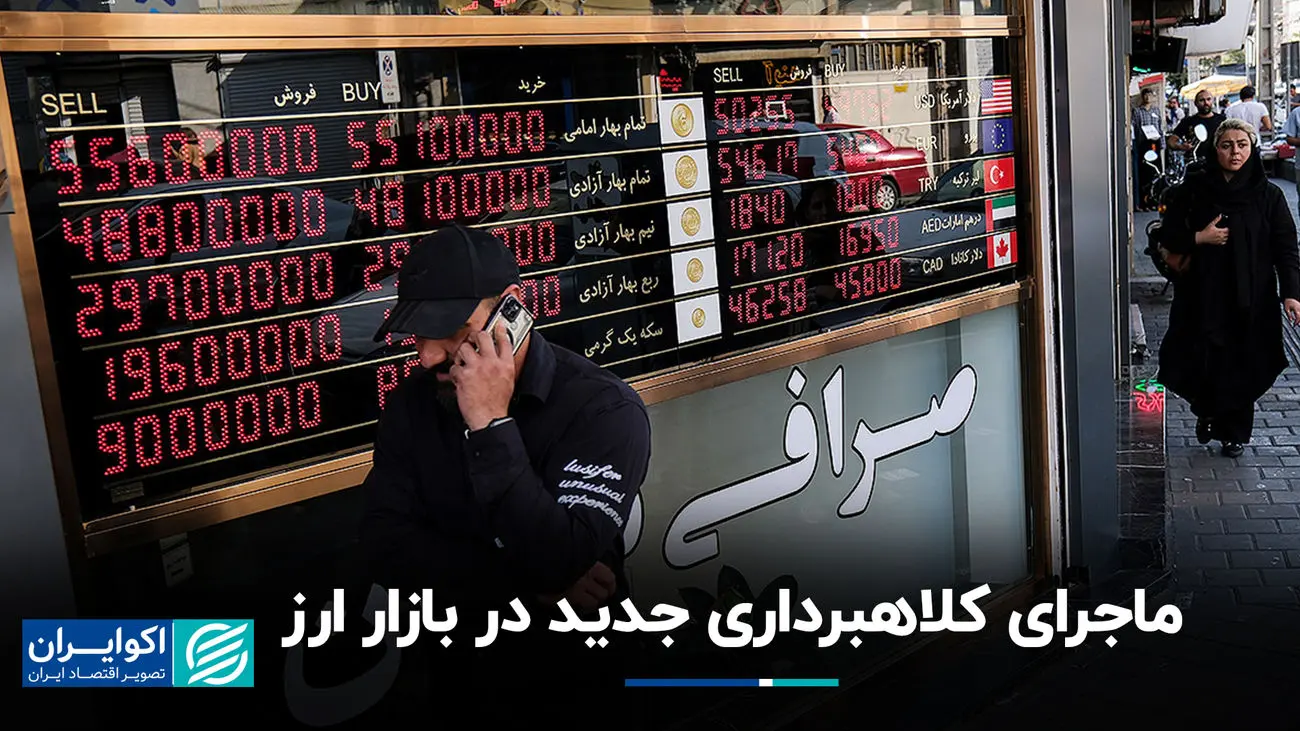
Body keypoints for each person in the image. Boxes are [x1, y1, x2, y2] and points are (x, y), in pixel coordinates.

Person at [359, 224, 653, 712]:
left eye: (450, 330)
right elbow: (384, 546)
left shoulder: (602, 409)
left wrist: (491, 425)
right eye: (418, 334)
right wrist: (518, 582)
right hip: (461, 681)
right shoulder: (413, 406)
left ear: (511, 309)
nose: (428, 355)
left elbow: (559, 557)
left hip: (579, 687)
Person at [1155, 119, 1300, 458]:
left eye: (1242, 145)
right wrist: (1199, 238)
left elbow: (1285, 247)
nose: (1235, 152)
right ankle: (1207, 412)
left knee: (1243, 363)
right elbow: (1167, 234)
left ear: (1252, 149)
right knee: (1202, 359)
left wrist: (1291, 294)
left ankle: (1234, 432)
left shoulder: (1268, 195)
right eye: (1226, 145)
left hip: (1252, 297)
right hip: (1201, 295)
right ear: (1215, 149)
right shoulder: (1193, 190)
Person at [1168, 90, 1225, 165]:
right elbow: (1171, 141)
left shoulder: (1222, 120)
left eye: (1208, 99)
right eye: (1202, 100)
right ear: (1195, 103)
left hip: (1219, 163)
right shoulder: (1188, 121)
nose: (1206, 103)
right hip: (1196, 165)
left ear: (1212, 101)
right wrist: (1181, 146)